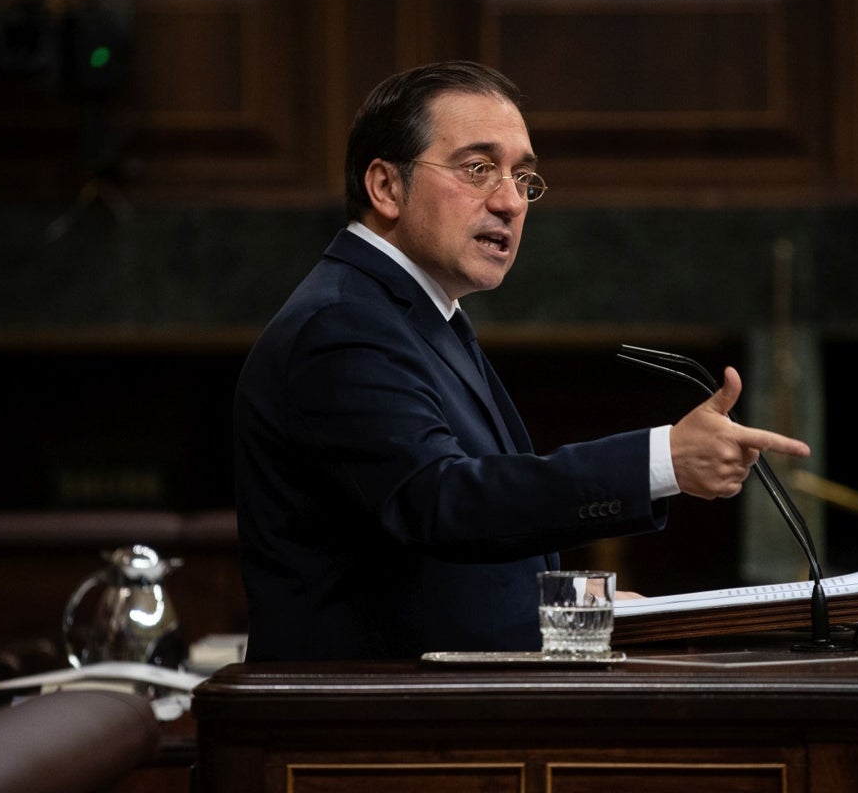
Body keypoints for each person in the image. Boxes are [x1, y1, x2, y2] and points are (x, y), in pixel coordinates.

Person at [234, 60, 810, 661]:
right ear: (386, 187)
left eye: (523, 178)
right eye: (478, 169)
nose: (510, 202)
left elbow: (446, 574)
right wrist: (658, 461)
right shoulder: (343, 325)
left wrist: (587, 614)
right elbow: (441, 504)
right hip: (363, 734)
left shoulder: (416, 314)